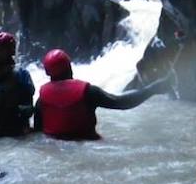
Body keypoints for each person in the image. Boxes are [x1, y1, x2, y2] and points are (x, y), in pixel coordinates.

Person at [35, 48, 170, 140]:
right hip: (89, 146)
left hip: (55, 148)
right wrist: (152, 89)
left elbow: (38, 131)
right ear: (69, 68)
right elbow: (122, 103)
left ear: (48, 73)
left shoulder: (42, 99)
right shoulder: (88, 92)